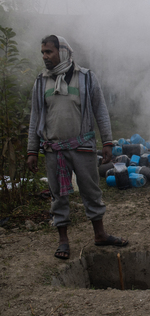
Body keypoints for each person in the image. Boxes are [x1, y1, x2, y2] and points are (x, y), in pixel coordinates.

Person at [27, 35, 128, 260]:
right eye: (42, 52)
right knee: (58, 196)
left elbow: (100, 110)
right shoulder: (41, 81)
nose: (45, 57)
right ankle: (63, 240)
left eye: (49, 52)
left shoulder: (86, 78)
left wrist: (108, 142)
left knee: (91, 191)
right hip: (54, 150)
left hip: (82, 146)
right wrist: (32, 150)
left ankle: (100, 234)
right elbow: (35, 117)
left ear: (62, 52)